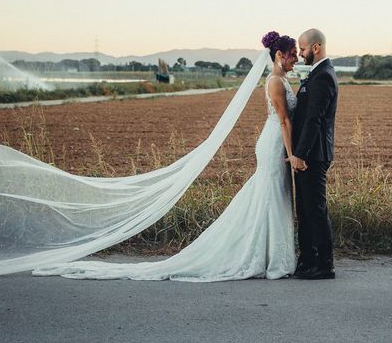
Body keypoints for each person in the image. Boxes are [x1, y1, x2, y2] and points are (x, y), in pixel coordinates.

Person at [32, 31, 299, 281]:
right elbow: (284, 121)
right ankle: (268, 257)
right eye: (292, 53)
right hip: (273, 143)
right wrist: (291, 154)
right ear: (279, 55)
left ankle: (269, 254)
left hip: (275, 140)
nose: (295, 58)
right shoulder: (275, 81)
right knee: (271, 194)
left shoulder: (283, 79)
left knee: (271, 194)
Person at [287, 29, 338, 280]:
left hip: (314, 155)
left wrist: (300, 154)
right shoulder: (316, 74)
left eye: (303, 49)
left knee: (315, 209)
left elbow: (314, 120)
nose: (300, 54)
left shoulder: (323, 77)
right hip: (308, 153)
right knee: (305, 210)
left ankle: (325, 264)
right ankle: (307, 259)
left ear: (316, 47)